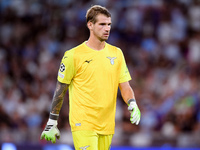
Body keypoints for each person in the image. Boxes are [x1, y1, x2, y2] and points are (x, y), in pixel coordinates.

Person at [40, 5, 141, 150]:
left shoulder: (117, 53)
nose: (107, 28)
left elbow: (125, 86)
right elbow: (60, 89)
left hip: (107, 124)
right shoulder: (73, 55)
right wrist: (52, 121)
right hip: (83, 123)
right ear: (90, 25)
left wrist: (132, 103)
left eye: (109, 24)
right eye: (102, 24)